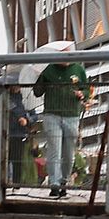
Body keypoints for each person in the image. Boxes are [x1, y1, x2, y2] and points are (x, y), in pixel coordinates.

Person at [32, 57, 90, 198]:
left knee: (69, 153)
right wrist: (39, 77)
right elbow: (37, 92)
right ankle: (55, 184)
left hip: (72, 115)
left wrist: (82, 94)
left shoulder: (78, 69)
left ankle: (64, 181)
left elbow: (86, 89)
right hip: (52, 115)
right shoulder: (48, 69)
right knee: (54, 150)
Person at [0, 65, 34, 188]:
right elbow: (5, 110)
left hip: (18, 132)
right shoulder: (1, 94)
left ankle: (16, 183)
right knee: (3, 158)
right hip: (4, 131)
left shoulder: (23, 97)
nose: (17, 87)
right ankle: (5, 181)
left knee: (16, 159)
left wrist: (27, 119)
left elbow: (31, 114)